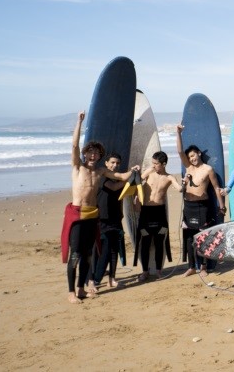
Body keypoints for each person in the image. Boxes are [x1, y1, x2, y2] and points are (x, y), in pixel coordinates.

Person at [64, 112, 137, 304]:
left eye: (96, 153)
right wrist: (79, 122)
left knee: (88, 255)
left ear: (99, 156)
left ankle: (81, 289)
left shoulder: (100, 171)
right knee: (75, 254)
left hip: (92, 216)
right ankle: (71, 292)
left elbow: (121, 177)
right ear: (85, 153)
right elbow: (73, 145)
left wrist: (134, 171)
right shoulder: (77, 167)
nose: (93, 155)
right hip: (77, 215)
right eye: (90, 152)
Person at [175, 124, 226, 277]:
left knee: (202, 236)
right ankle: (191, 266)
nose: (192, 158)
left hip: (202, 206)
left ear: (198, 153)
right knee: (190, 238)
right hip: (189, 205)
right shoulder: (188, 168)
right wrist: (178, 133)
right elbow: (179, 151)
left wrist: (222, 205)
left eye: (194, 155)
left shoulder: (208, 169)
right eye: (190, 157)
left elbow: (216, 187)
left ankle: (203, 266)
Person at [86, 151, 126, 292]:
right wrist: (130, 177)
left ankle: (112, 279)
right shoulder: (101, 175)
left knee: (115, 249)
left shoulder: (118, 178)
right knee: (100, 250)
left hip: (115, 217)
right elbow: (114, 187)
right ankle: (94, 280)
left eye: (117, 163)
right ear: (106, 163)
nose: (115, 165)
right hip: (102, 218)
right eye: (112, 162)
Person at [134, 151, 176, 282]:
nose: (153, 166)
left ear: (163, 164)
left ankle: (158, 270)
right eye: (152, 163)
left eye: (156, 164)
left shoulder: (169, 177)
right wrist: (136, 198)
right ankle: (145, 271)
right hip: (146, 212)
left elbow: (179, 188)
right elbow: (137, 181)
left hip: (160, 213)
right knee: (145, 242)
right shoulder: (149, 172)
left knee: (159, 242)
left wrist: (184, 185)